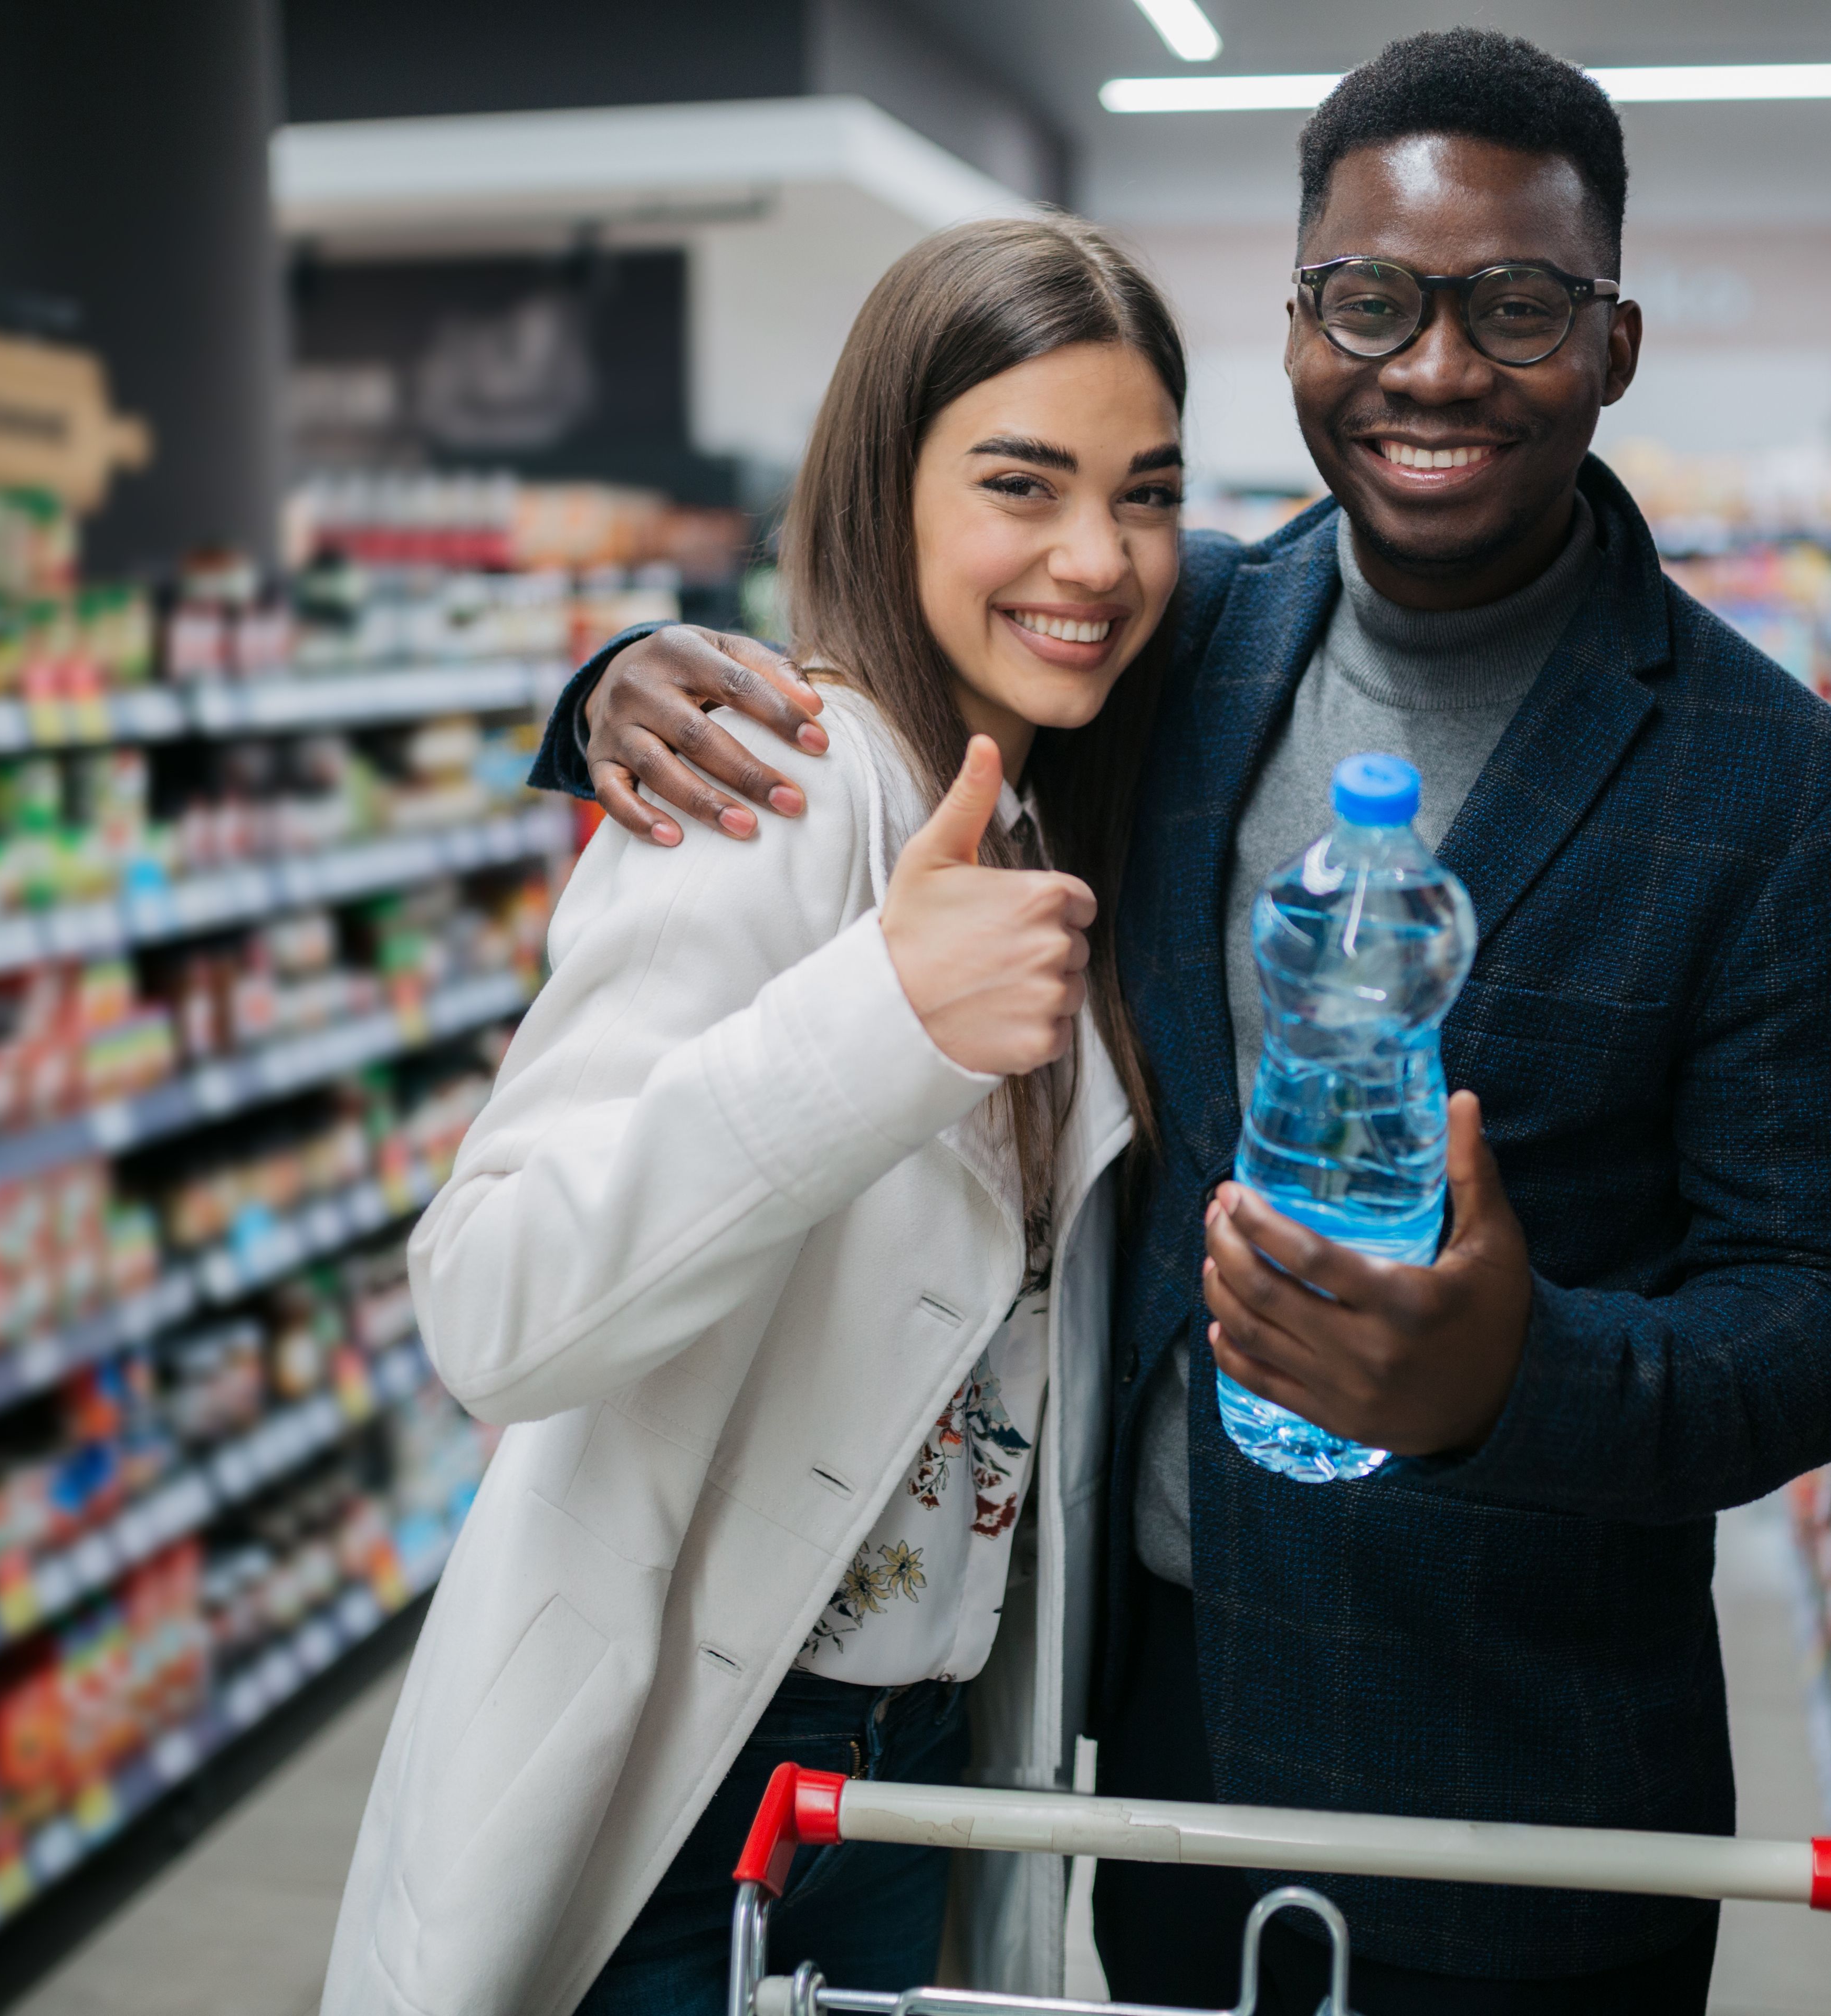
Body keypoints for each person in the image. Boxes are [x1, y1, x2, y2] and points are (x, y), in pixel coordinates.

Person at [545, 30, 1831, 2016]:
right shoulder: (1186, 641)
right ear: (1299, 327)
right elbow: (913, 621)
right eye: (1369, 301)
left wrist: (1510, 1377)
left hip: (1521, 1767)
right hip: (1160, 1728)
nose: (1434, 369)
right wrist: (621, 678)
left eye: (1517, 307)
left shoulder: (1791, 801)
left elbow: (1829, 1314)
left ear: (1614, 344)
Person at [320, 216, 1190, 2016]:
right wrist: (875, 1023)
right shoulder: (781, 787)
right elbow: (493, 1301)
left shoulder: (1035, 808)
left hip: (912, 1758)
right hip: (700, 1782)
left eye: (1148, 494)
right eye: (1020, 483)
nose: (1096, 558)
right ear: (884, 485)